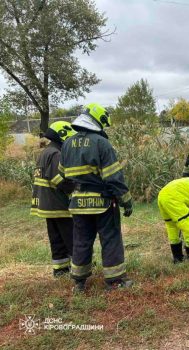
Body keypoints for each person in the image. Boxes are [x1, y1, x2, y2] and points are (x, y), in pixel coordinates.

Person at [59, 103, 133, 293]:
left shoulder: (67, 144)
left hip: (77, 203)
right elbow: (114, 177)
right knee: (110, 239)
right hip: (103, 203)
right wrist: (126, 201)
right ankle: (114, 281)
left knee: (81, 241)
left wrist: (75, 193)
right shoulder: (101, 143)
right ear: (98, 121)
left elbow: (62, 177)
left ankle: (79, 283)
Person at [31, 121, 76, 277]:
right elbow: (58, 179)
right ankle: (78, 267)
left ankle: (60, 270)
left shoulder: (46, 152)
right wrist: (74, 188)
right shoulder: (56, 153)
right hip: (58, 204)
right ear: (63, 135)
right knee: (71, 237)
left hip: (47, 205)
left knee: (56, 240)